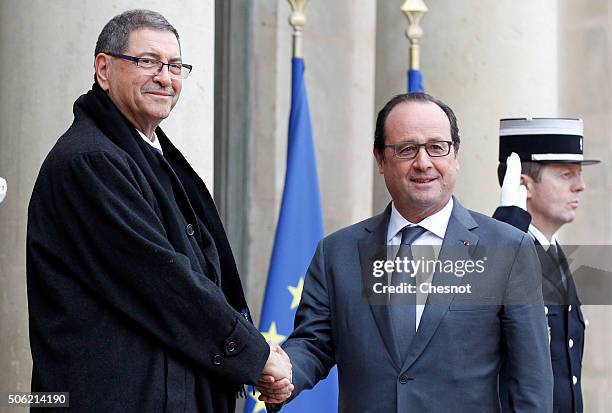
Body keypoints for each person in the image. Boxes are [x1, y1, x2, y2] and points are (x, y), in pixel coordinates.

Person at [26, 9, 291, 412]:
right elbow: (163, 281)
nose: (165, 77)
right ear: (103, 69)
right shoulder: (89, 161)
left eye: (175, 66)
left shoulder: (146, 154)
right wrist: (255, 355)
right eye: (147, 61)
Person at [259, 92, 553, 412]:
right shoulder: (337, 253)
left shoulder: (508, 249)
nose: (423, 163)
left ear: (455, 156)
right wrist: (283, 374)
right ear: (380, 160)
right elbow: (313, 344)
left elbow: (531, 384)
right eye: (407, 149)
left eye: (437, 147)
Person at [494, 117, 599, 413]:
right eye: (567, 175)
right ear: (523, 184)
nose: (580, 186)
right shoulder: (502, 253)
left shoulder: (553, 254)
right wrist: (508, 224)